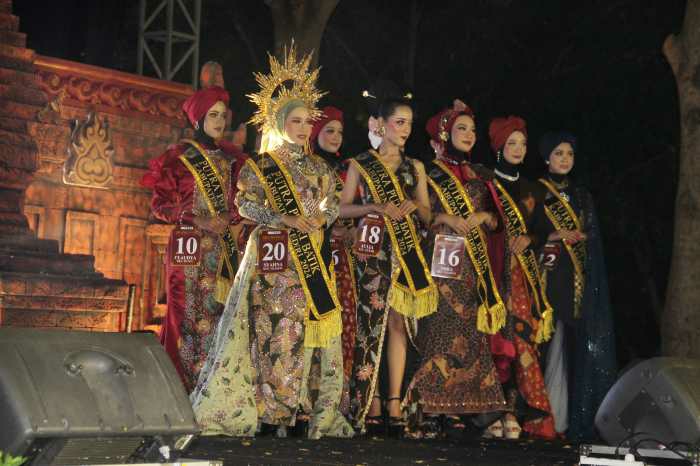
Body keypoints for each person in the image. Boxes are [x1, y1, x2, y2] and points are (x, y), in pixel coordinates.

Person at [189, 44, 353, 439]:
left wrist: (322, 217)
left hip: (312, 257)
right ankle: (269, 411)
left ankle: (301, 409)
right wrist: (282, 217)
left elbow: (333, 203)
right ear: (280, 122)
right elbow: (244, 205)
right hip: (274, 259)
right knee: (273, 329)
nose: (303, 128)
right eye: (295, 121)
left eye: (307, 121)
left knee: (307, 331)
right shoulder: (261, 165)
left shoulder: (320, 167)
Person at [403, 101, 509, 439]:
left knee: (469, 332)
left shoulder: (481, 175)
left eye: (472, 130)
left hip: (473, 264)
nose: (469, 135)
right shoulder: (427, 172)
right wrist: (445, 217)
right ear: (445, 134)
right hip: (441, 259)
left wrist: (481, 217)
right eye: (461, 128)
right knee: (441, 328)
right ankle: (431, 405)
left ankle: (467, 407)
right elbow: (419, 214)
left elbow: (498, 221)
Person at [339, 83, 438, 436]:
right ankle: (371, 400)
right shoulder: (361, 164)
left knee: (397, 324)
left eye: (409, 123)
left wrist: (415, 206)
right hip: (372, 252)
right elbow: (341, 209)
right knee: (371, 324)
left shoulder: (415, 167)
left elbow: (428, 216)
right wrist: (375, 207)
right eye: (399, 122)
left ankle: (394, 400)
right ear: (381, 124)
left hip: (405, 253)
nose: (406, 129)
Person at [141, 85, 247, 393]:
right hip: (188, 249)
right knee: (183, 315)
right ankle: (178, 388)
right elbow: (159, 206)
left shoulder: (233, 161)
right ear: (198, 119)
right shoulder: (178, 159)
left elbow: (241, 204)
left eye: (222, 116)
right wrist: (195, 218)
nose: (219, 121)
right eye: (212, 115)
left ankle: (210, 391)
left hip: (221, 251)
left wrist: (229, 217)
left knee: (216, 315)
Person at [537, 132, 616, 440]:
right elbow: (529, 232)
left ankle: (566, 419)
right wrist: (554, 236)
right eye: (558, 153)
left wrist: (583, 238)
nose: (565, 159)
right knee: (546, 344)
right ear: (547, 157)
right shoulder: (536, 191)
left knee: (572, 347)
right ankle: (541, 416)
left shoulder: (582, 196)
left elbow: (593, 235)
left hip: (577, 281)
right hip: (547, 277)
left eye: (569, 154)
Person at [487, 116, 555, 439]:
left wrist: (530, 238)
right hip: (490, 270)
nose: (518, 149)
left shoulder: (532, 189)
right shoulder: (485, 182)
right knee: (494, 340)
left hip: (522, 276)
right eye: (511, 143)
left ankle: (515, 409)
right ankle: (492, 411)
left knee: (520, 338)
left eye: (523, 144)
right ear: (499, 147)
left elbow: (543, 230)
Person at [310, 106, 357, 401]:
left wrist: (353, 229)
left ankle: (339, 397)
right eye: (329, 130)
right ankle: (311, 395)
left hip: (346, 259)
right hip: (315, 254)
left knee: (346, 322)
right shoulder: (307, 169)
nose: (336, 137)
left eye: (339, 132)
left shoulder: (347, 170)